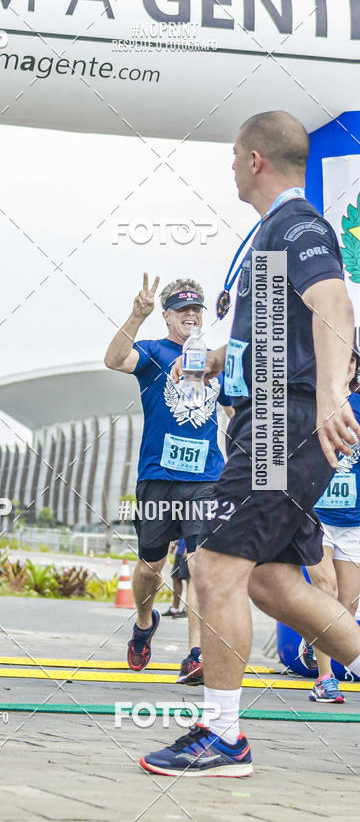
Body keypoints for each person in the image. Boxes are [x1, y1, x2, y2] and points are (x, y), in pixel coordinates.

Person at [140, 110, 360, 778]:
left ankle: (223, 737)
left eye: (235, 156)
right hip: (264, 419)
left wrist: (327, 396)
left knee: (212, 567)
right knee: (273, 582)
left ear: (256, 160)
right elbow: (268, 333)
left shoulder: (301, 226)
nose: (231, 167)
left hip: (281, 425)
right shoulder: (267, 236)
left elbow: (331, 303)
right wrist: (217, 362)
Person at [104, 276, 233, 682]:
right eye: (182, 310)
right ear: (167, 316)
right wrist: (135, 316)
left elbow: (232, 412)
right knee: (150, 568)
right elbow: (114, 359)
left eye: (196, 309)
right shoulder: (154, 353)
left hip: (205, 478)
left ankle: (197, 653)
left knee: (200, 565)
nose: (191, 315)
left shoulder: (215, 359)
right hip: (158, 476)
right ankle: (144, 623)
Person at [300, 349, 360, 703]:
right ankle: (325, 679)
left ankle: (315, 639)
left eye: (353, 359)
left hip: (353, 520)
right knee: (325, 588)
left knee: (345, 609)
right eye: (342, 356)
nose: (347, 363)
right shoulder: (312, 400)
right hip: (316, 514)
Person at [163, 538, 188, 619]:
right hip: (180, 548)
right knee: (175, 577)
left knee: (189, 580)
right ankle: (174, 609)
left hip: (190, 548)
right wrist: (175, 542)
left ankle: (188, 610)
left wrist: (191, 546)